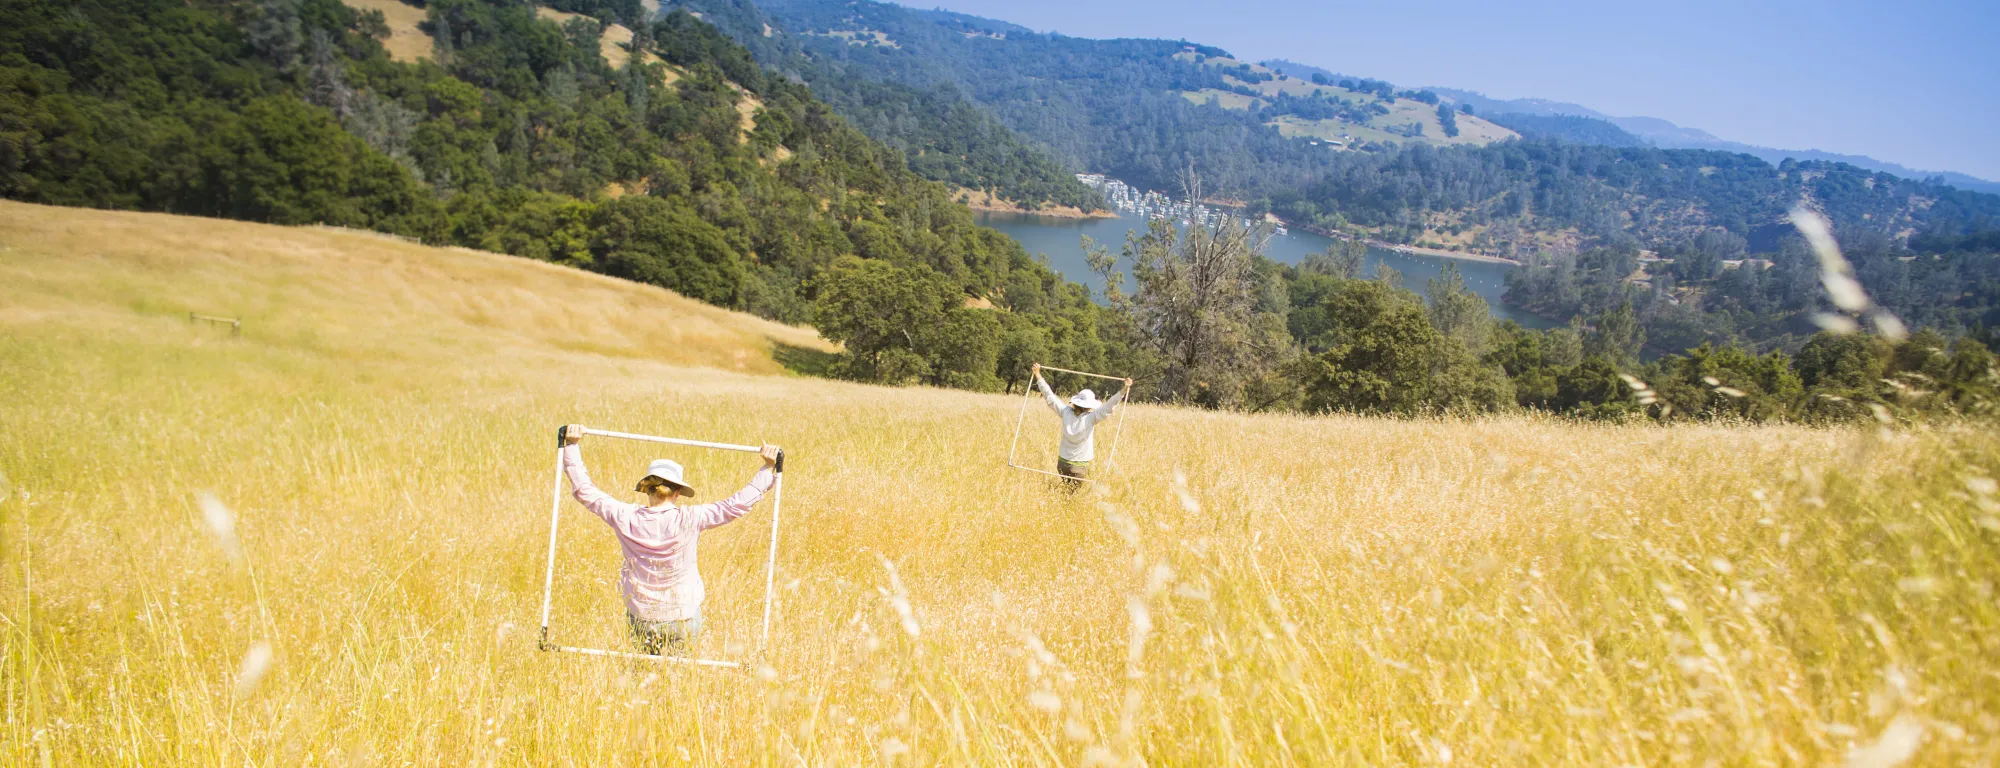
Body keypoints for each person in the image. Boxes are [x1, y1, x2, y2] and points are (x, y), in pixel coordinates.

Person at [559, 425, 778, 656]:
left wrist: (571, 446)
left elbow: (585, 491)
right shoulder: (691, 518)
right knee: (679, 679)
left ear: (647, 490)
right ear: (677, 493)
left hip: (642, 617)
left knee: (644, 673)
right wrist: (768, 468)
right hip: (682, 617)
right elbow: (735, 505)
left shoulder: (624, 516)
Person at [1031, 363, 1132, 489]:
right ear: (1089, 406)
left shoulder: (1065, 412)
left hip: (1062, 463)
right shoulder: (1091, 418)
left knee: (1067, 492)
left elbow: (1049, 397)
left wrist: (1038, 375)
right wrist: (1123, 390)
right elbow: (1108, 407)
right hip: (1079, 466)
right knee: (1071, 496)